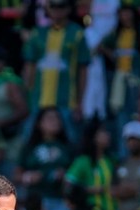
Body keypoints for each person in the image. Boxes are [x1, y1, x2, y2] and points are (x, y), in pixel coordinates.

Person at [22, 0, 90, 139]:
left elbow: (83, 71)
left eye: (62, 6)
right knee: (29, 139)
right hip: (38, 99)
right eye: (53, 6)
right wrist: (26, 96)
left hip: (67, 101)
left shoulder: (77, 34)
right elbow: (29, 67)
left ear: (69, 9)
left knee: (71, 140)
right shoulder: (37, 34)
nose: (57, 10)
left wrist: (80, 102)